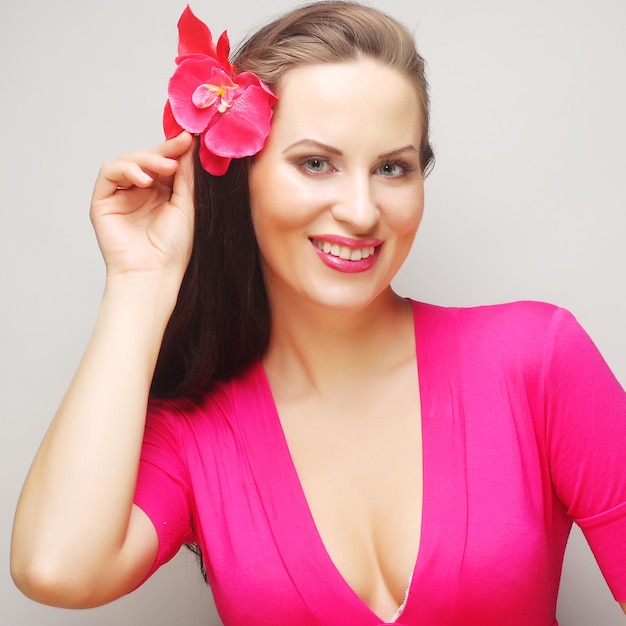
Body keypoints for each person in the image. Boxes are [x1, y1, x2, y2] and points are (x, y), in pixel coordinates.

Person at [10, 2, 626, 624]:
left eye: (392, 168)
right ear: (240, 174)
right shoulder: (194, 432)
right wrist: (139, 282)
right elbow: (56, 568)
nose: (361, 211)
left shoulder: (536, 362)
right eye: (316, 163)